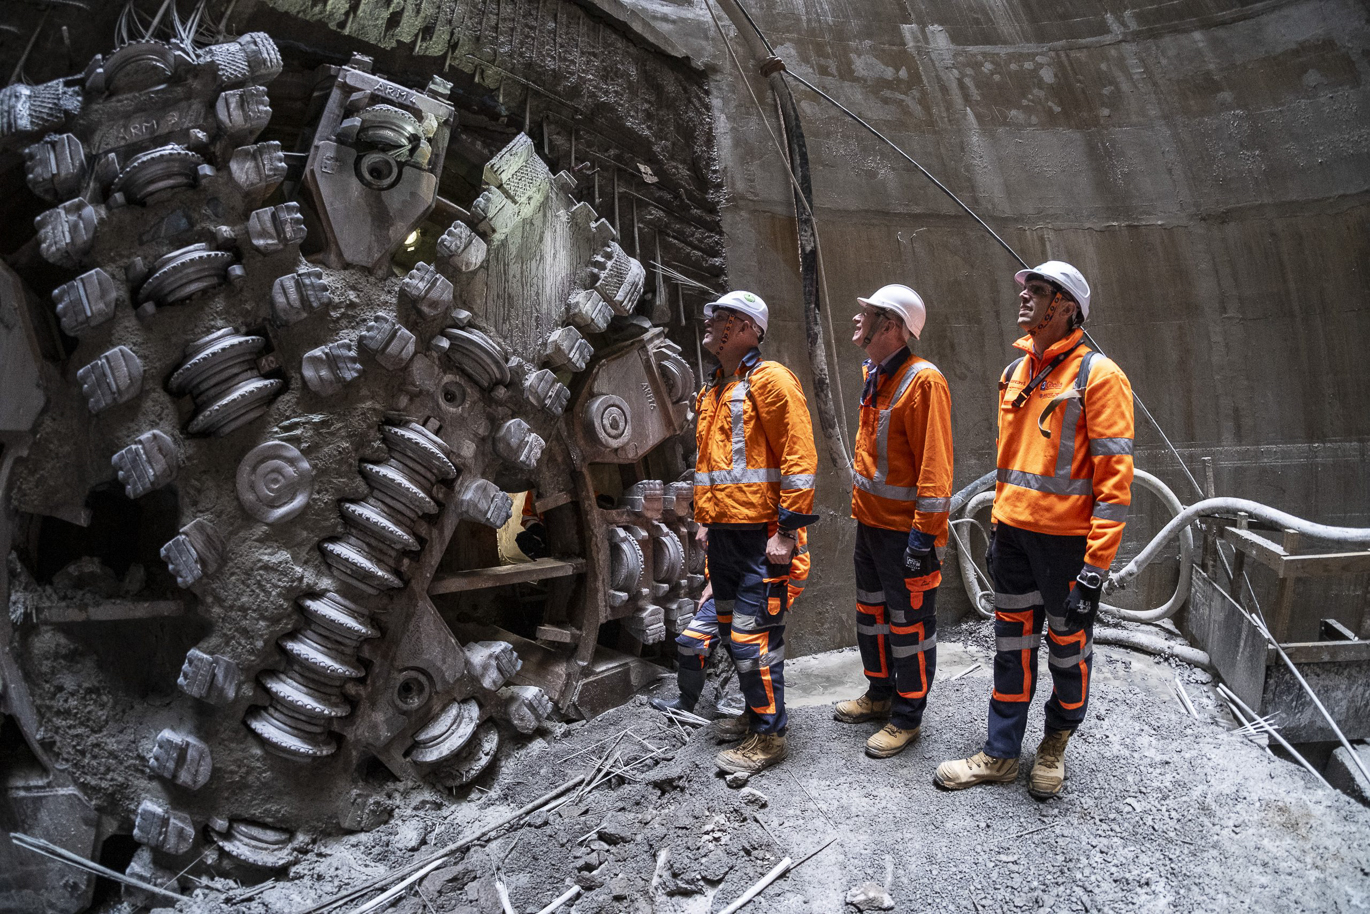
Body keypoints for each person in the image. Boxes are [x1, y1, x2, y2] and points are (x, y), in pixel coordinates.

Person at [935, 261, 1133, 799]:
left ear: (1066, 307)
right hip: (1014, 537)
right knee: (1012, 647)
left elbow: (1114, 484)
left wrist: (1095, 569)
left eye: (1039, 291)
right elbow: (1009, 465)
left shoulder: (1099, 376)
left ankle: (1054, 743)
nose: (1025, 297)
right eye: (1026, 289)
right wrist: (999, 524)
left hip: (1068, 547)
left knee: (1068, 649)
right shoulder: (1015, 374)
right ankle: (1000, 754)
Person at [692, 290, 818, 775]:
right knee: (735, 635)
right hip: (725, 536)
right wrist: (706, 520)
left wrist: (787, 531)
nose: (710, 323)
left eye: (719, 317)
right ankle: (755, 715)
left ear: (746, 327)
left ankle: (770, 737)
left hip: (760, 537)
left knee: (752, 638)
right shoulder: (715, 389)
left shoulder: (770, 381)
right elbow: (712, 468)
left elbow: (799, 458)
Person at [832, 284, 953, 759]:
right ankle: (879, 694)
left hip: (907, 533)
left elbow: (935, 470)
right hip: (872, 525)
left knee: (909, 625)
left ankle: (907, 716)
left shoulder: (924, 382)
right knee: (873, 616)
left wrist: (924, 537)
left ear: (893, 326)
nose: (857, 319)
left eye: (868, 313)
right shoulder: (876, 375)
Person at [649, 531, 809, 718]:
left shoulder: (781, 518)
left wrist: (781, 597)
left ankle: (761, 717)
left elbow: (798, 559)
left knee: (752, 656)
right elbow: (718, 546)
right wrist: (714, 581)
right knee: (691, 642)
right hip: (725, 589)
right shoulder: (727, 508)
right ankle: (685, 703)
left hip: (761, 593)